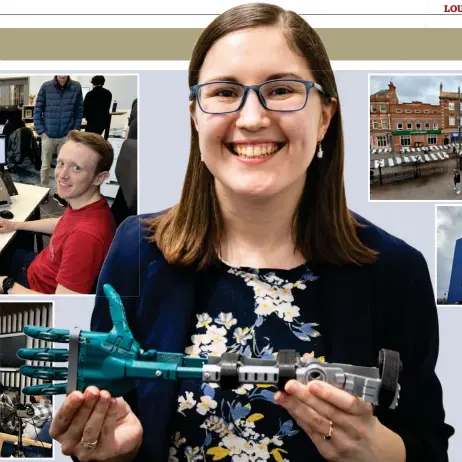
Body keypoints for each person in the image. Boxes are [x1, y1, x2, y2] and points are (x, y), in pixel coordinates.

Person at [50, 4, 453, 462]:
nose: (251, 117)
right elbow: (105, 415)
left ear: (324, 117)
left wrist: (387, 454)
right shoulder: (136, 249)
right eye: (224, 92)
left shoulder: (397, 271)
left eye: (281, 89)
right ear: (196, 117)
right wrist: (114, 453)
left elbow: (427, 442)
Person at [0, 131, 116, 295]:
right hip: (39, 267)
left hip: (34, 287)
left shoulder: (85, 236)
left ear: (99, 178)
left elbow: (61, 306)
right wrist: (15, 225)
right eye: (61, 163)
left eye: (76, 168)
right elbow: (61, 223)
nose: (62, 175)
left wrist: (6, 284)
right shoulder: (86, 204)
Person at [33, 75, 83, 206]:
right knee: (45, 165)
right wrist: (41, 131)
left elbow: (78, 110)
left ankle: (60, 193)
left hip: (66, 136)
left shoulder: (76, 87)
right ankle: (43, 191)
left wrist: (75, 131)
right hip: (48, 135)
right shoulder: (46, 86)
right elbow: (37, 110)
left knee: (64, 168)